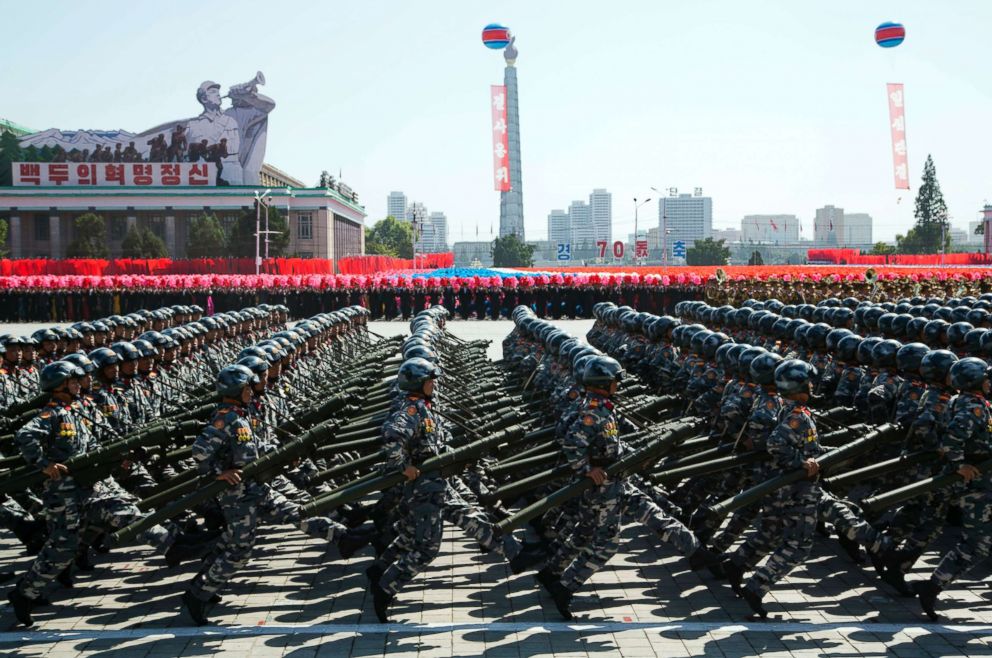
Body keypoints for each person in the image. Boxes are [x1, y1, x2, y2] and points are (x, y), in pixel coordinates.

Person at [182, 364, 367, 625]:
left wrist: (285, 456)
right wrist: (218, 473)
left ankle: (343, 536)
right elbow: (199, 451)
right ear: (236, 390)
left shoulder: (240, 416)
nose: (251, 391)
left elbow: (254, 448)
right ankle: (198, 594)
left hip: (256, 488)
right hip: (237, 497)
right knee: (238, 550)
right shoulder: (225, 418)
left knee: (295, 512)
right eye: (247, 387)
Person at [911, 358, 992, 621]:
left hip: (983, 483)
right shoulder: (974, 407)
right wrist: (960, 464)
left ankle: (933, 586)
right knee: (978, 543)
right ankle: (933, 586)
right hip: (979, 487)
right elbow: (953, 439)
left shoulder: (965, 401)